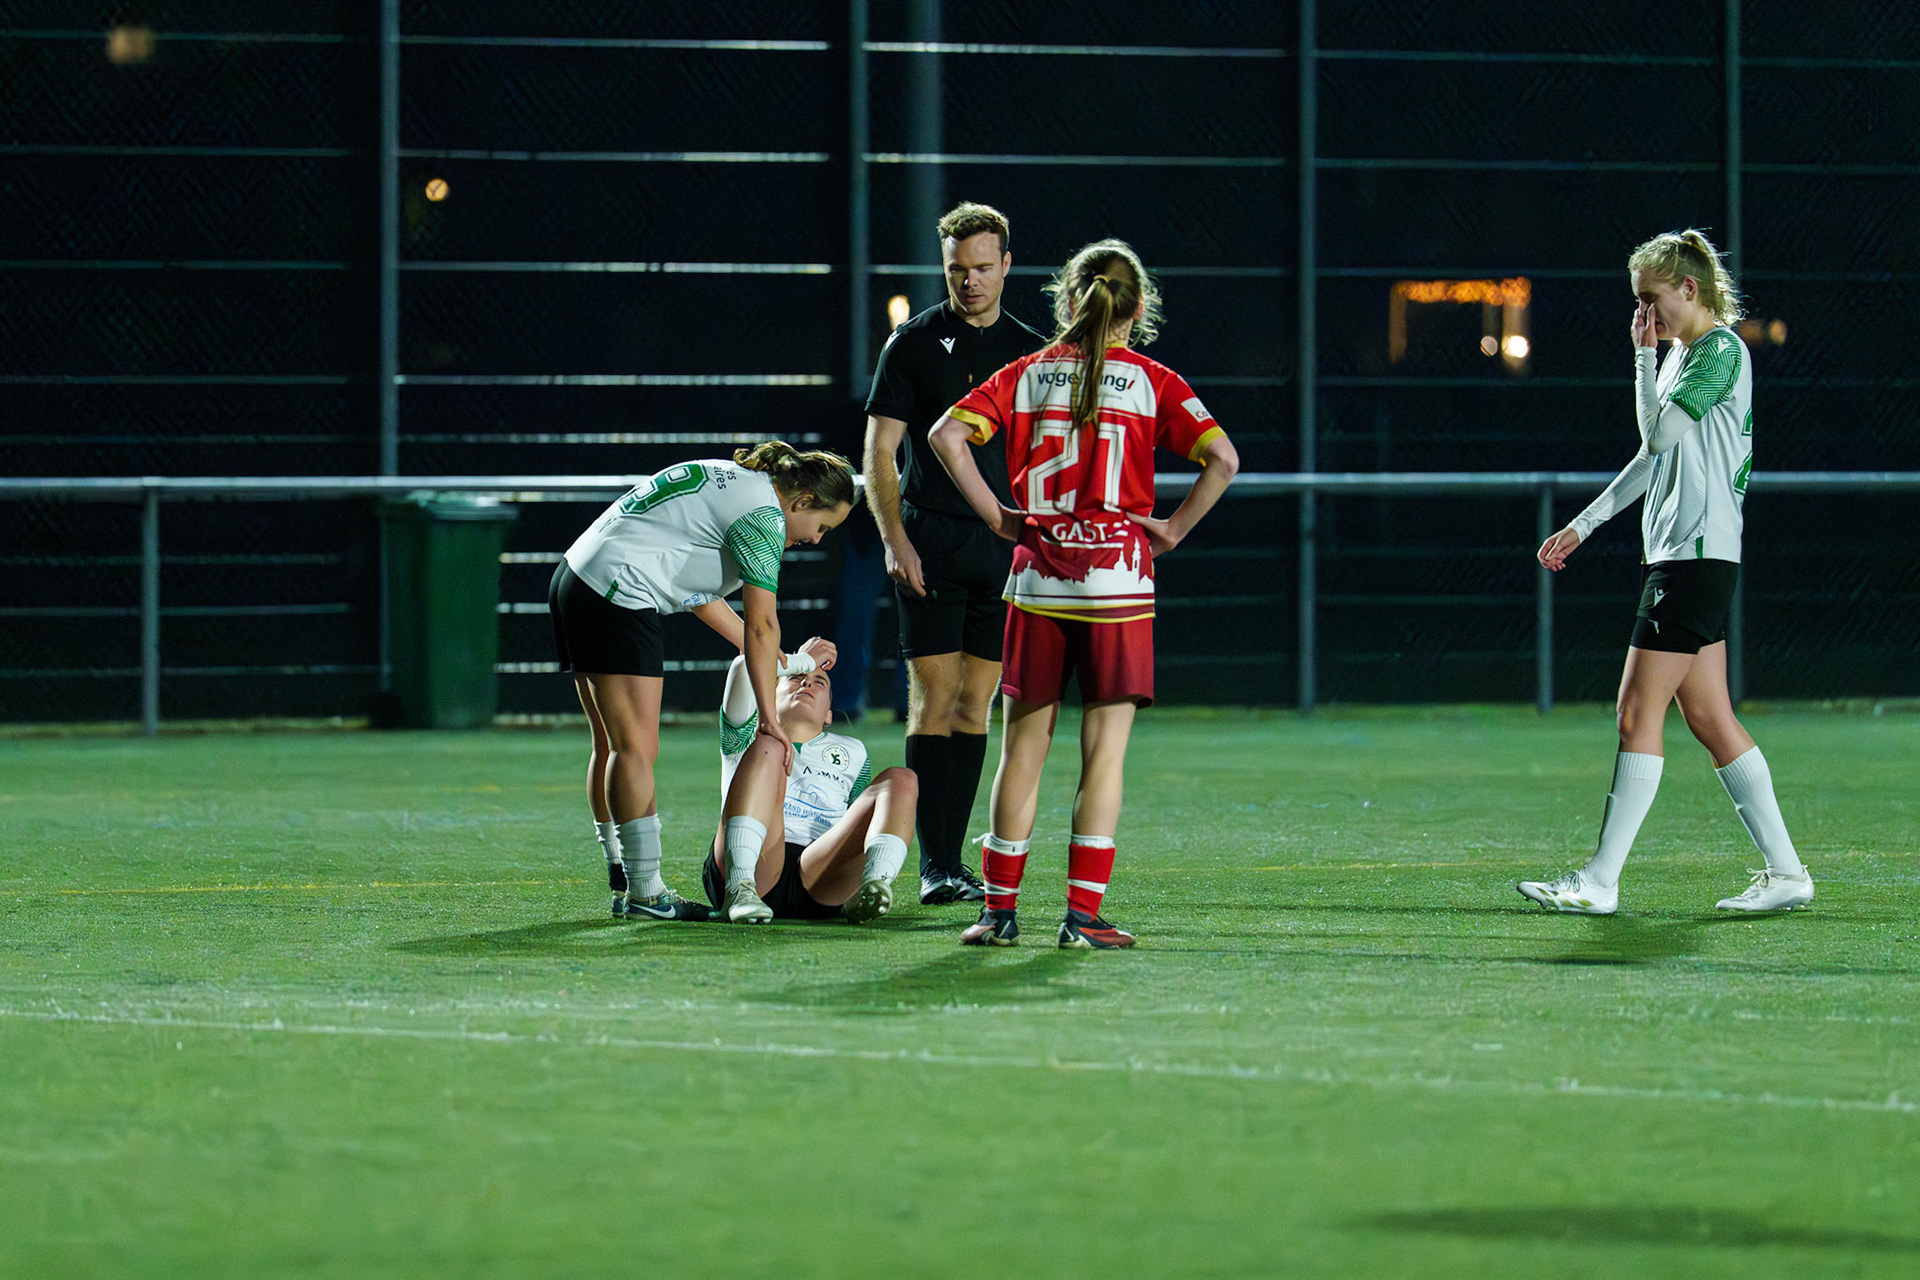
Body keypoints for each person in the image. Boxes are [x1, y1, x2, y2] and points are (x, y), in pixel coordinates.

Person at [927, 238, 1240, 949]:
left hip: (1038, 575)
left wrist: (997, 516)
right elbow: (1224, 457)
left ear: (1068, 300)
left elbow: (948, 436)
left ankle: (998, 913)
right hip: (1118, 585)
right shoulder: (1154, 380)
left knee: (1020, 752)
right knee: (1104, 756)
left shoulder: (1026, 372)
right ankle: (1081, 918)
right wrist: (1173, 530)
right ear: (1138, 309)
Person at [1518, 229, 1812, 915]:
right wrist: (1583, 524)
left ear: (1689, 289)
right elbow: (1652, 460)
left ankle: (1598, 881)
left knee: (1634, 713)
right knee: (1710, 717)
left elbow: (1657, 436)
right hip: (1690, 558)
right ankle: (1787, 873)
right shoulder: (1686, 357)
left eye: (1651, 301)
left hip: (1694, 560)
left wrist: (1642, 361)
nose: (1645, 318)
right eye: (1638, 307)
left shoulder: (1717, 351)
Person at [549, 442, 855, 920]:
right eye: (821, 525)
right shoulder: (764, 517)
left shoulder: (736, 482)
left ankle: (621, 870)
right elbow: (761, 624)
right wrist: (771, 720)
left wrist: (791, 664)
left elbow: (701, 595)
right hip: (616, 593)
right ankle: (646, 893)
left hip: (578, 579)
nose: (816, 539)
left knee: (611, 745)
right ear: (801, 502)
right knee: (635, 749)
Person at [862, 201, 1047, 905]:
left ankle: (953, 863)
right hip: (931, 539)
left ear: (1006, 266)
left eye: (980, 268)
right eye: (955, 270)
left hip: (1001, 548)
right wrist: (895, 538)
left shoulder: (1033, 351)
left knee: (978, 702)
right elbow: (880, 450)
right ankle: (935, 865)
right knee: (933, 697)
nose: (968, 281)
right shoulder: (910, 344)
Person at [702, 638, 918, 924]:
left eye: (819, 681)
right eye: (795, 677)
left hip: (821, 873)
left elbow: (859, 821)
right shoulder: (747, 729)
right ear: (769, 693)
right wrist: (799, 659)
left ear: (829, 714)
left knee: (902, 779)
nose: (806, 683)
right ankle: (739, 890)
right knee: (772, 746)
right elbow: (744, 666)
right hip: (758, 863)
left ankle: (875, 886)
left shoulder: (853, 752)